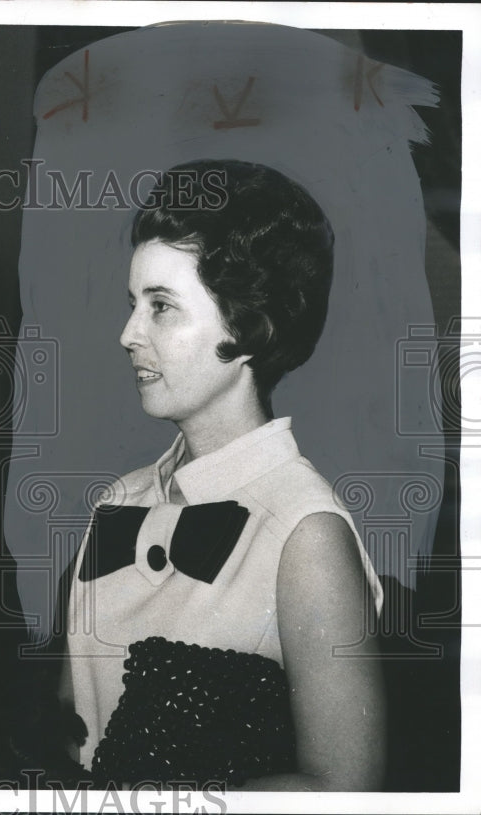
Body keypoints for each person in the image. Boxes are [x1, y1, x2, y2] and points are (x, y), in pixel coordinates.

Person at [61, 159, 386, 791]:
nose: (128, 334)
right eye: (134, 304)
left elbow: (346, 792)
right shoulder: (118, 500)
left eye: (162, 308)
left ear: (247, 326)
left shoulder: (305, 533)